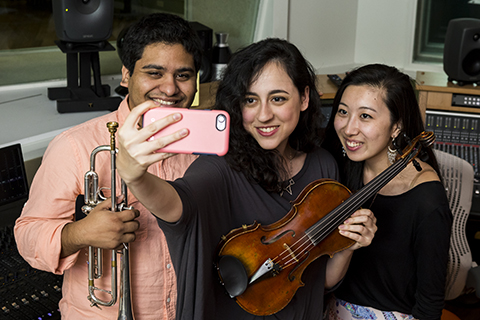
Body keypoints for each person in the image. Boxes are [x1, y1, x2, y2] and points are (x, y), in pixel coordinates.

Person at [115, 38, 377, 319]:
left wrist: (349, 246)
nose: (263, 115)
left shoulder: (323, 167)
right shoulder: (217, 168)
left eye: (278, 99)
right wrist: (136, 176)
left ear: (303, 98)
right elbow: (177, 206)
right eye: (250, 100)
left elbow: (318, 280)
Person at [14, 13, 203, 320]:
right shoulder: (76, 145)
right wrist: (80, 233)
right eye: (154, 73)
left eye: (183, 75)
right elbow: (27, 236)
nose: (170, 89)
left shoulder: (205, 145)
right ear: (126, 76)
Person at [322, 64, 453, 320]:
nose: (349, 129)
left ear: (396, 126)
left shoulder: (426, 200)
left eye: (366, 116)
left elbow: (429, 304)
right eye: (342, 112)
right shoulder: (336, 168)